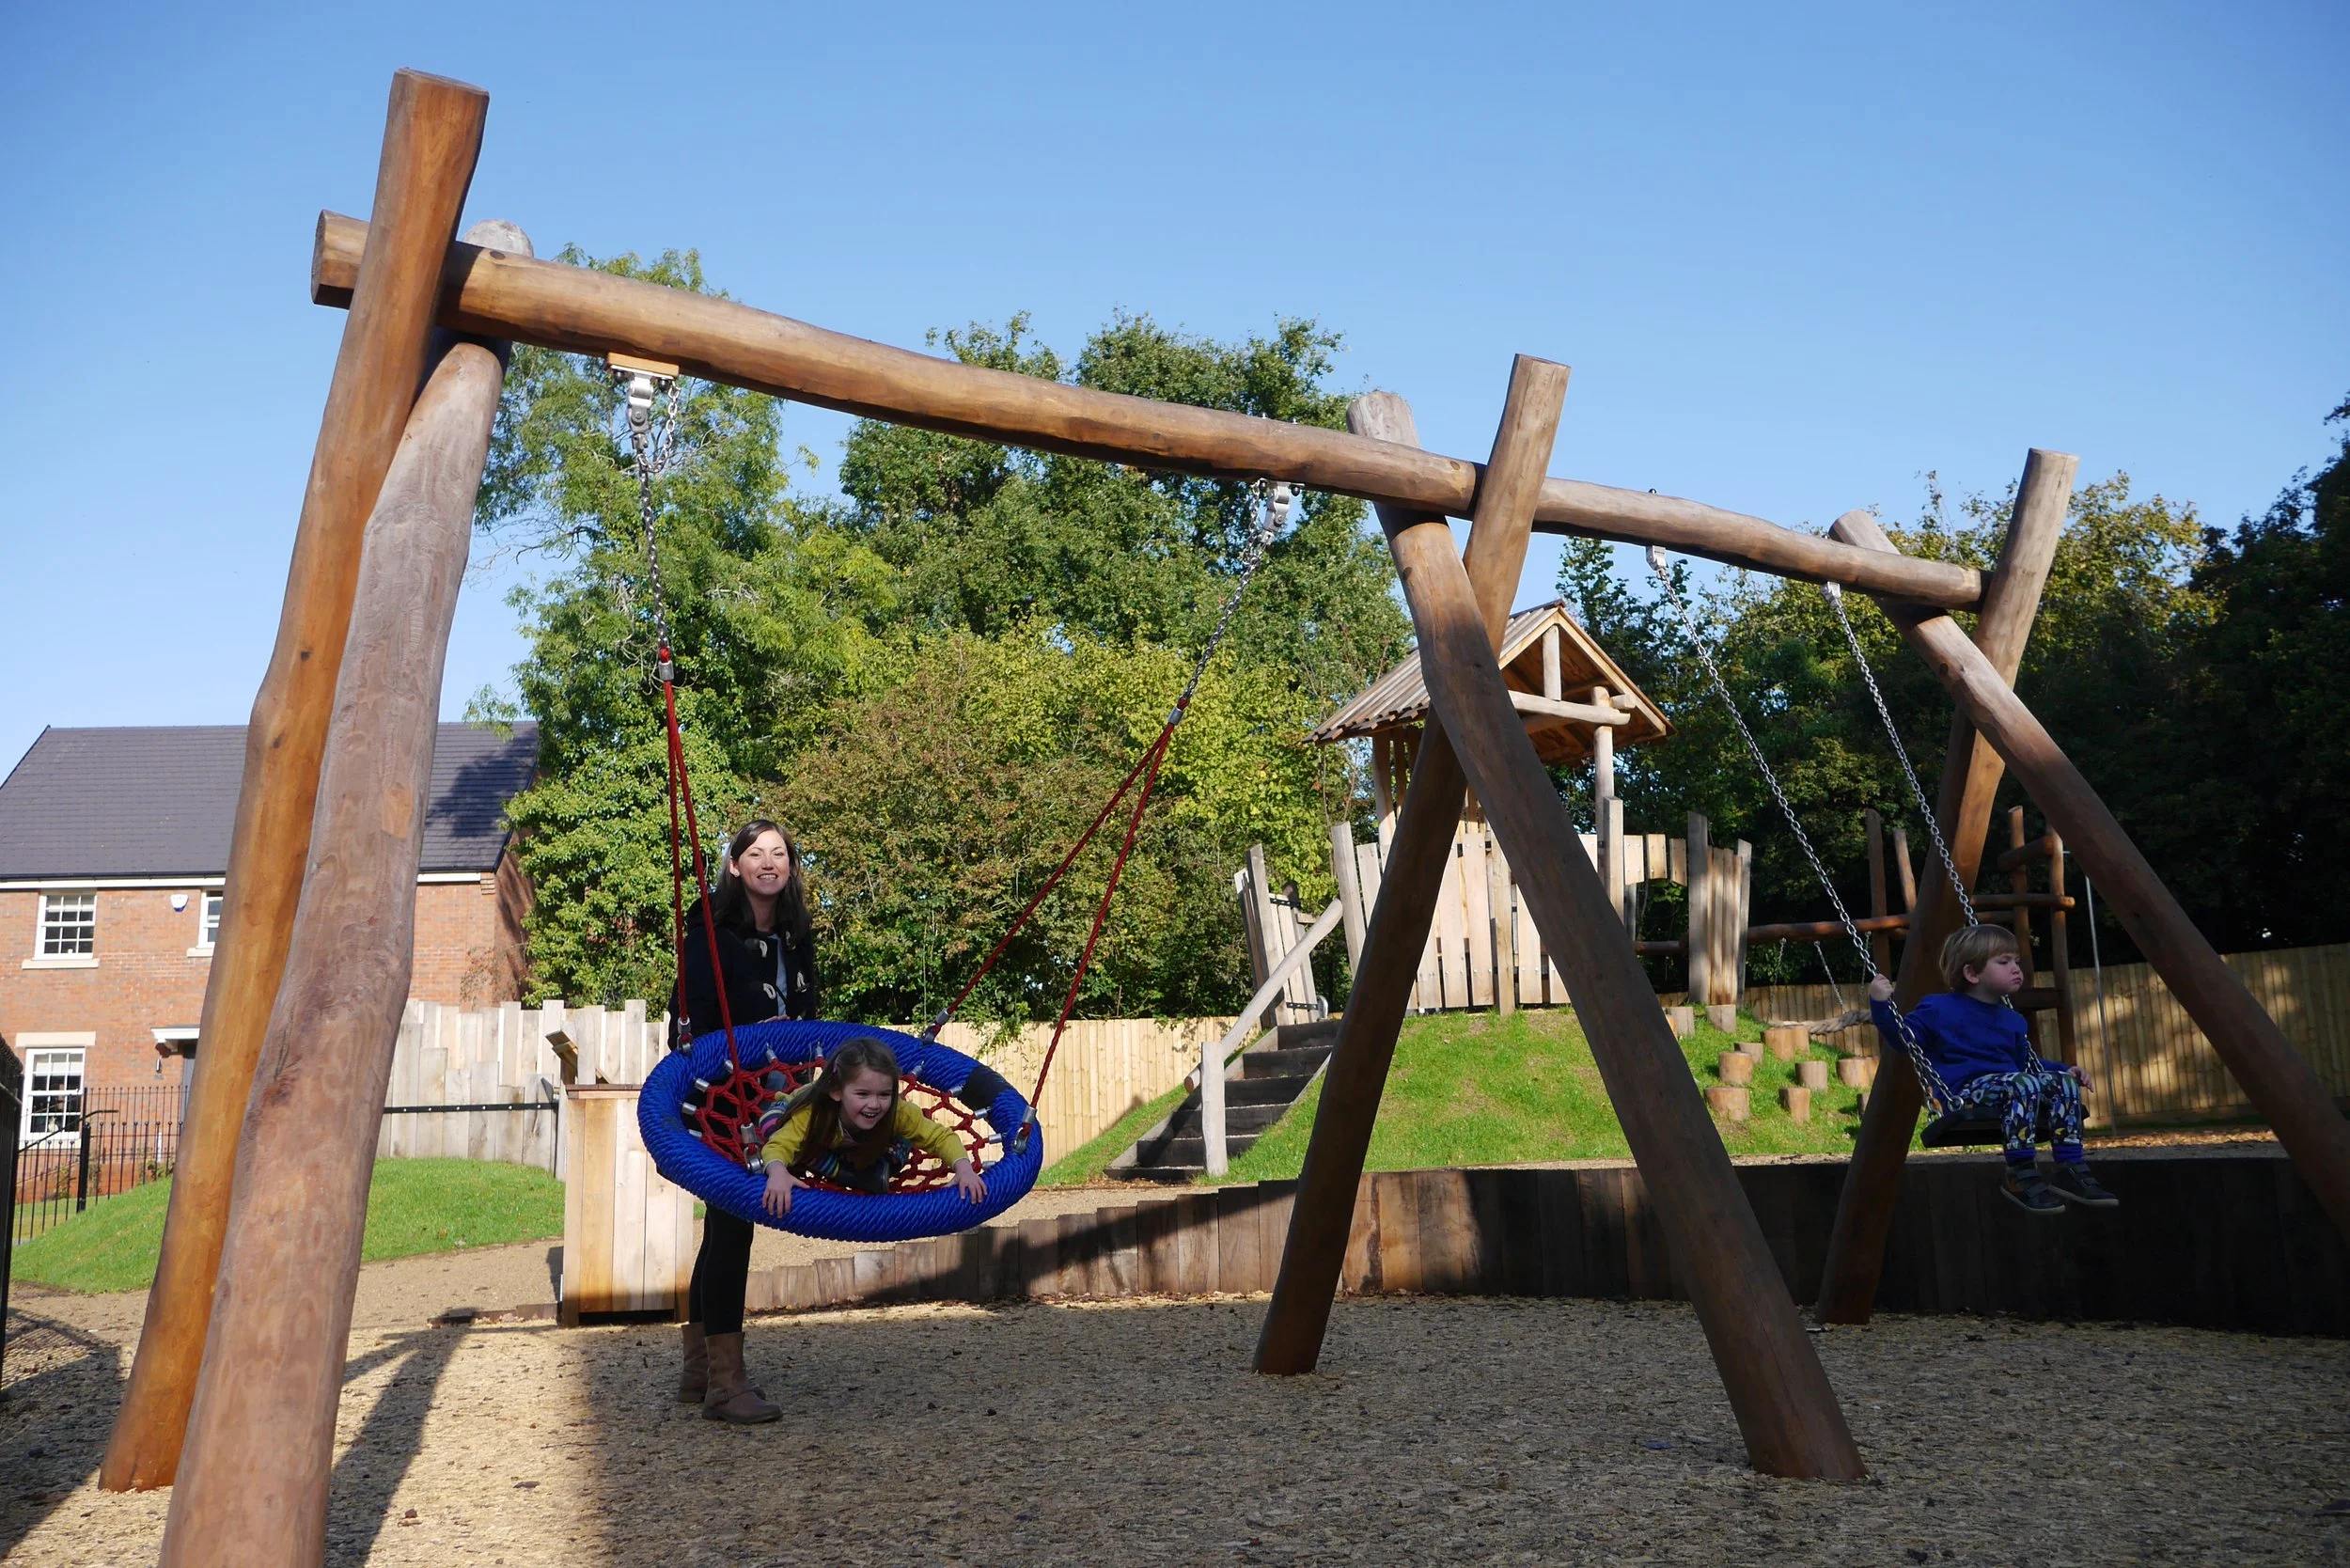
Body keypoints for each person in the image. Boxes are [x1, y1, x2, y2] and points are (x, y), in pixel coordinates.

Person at [675, 819, 818, 1425]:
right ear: (734, 866)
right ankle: (724, 1386)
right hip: (723, 1096)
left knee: (724, 1227)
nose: (767, 862)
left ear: (788, 867)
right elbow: (698, 1020)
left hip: (777, 1096)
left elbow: (810, 1017)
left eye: (778, 853)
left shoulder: (796, 937)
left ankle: (699, 1366)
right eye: (754, 853)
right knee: (734, 1224)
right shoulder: (710, 933)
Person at [1871, 923, 2118, 1215]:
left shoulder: (2011, 1019)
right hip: (1965, 1093)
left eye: (2016, 961)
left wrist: (2066, 1071)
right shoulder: (1938, 1009)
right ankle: (2020, 1172)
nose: (2016, 968)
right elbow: (1903, 1041)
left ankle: (2069, 1166)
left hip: (2012, 1086)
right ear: (1972, 973)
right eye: (2004, 962)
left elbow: (2029, 1064)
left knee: (2062, 1085)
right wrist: (1880, 1003)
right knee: (2023, 1084)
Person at [751, 1035, 988, 1215]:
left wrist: (964, 1169)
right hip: (804, 1130)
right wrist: (778, 1171)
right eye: (862, 1094)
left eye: (884, 1094)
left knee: (900, 1142)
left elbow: (940, 1137)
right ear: (837, 1091)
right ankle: (835, 1168)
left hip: (856, 1144)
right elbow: (778, 1146)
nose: (874, 1104)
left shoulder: (898, 1112)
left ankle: (861, 1167)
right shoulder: (813, 1112)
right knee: (771, 1125)